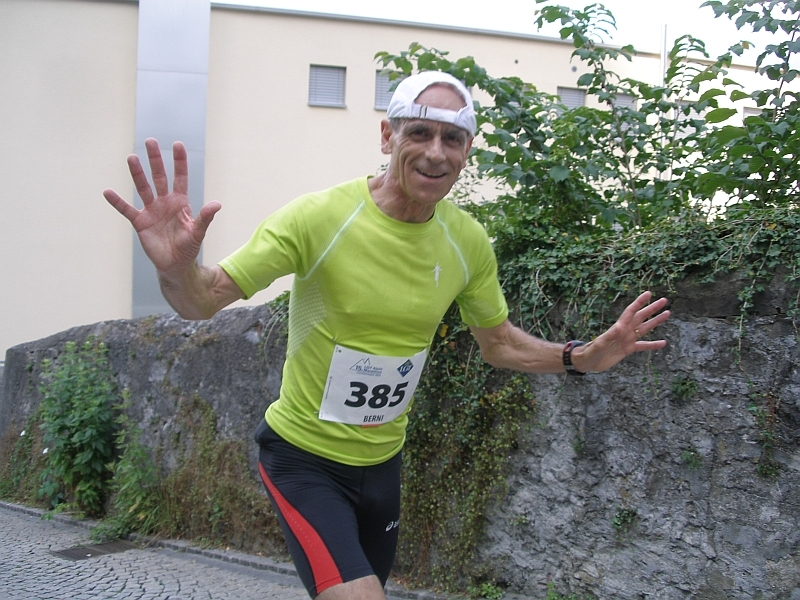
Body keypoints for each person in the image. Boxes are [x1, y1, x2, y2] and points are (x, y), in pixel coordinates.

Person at [103, 71, 670, 600]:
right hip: (303, 460)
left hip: (383, 466)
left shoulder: (466, 242)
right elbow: (203, 300)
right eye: (419, 132)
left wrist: (583, 357)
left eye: (453, 138)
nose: (435, 152)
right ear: (386, 136)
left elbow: (497, 344)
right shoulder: (319, 218)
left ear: (466, 153)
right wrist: (176, 268)